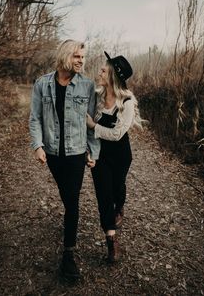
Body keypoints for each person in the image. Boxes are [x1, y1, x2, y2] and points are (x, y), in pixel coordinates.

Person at [29, 39, 100, 280]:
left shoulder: (87, 86)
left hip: (76, 152)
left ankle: (68, 254)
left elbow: (91, 123)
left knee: (72, 199)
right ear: (65, 56)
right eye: (77, 56)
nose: (82, 61)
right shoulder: (42, 84)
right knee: (66, 194)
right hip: (52, 153)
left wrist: (93, 150)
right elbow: (35, 118)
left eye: (83, 57)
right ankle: (69, 226)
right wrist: (37, 145)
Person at [86, 51, 143, 263]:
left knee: (118, 188)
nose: (100, 71)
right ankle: (111, 241)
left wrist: (93, 126)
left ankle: (120, 206)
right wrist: (89, 149)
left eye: (104, 69)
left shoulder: (127, 101)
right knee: (104, 196)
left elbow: (118, 133)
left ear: (113, 76)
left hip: (120, 155)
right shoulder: (98, 96)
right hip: (100, 154)